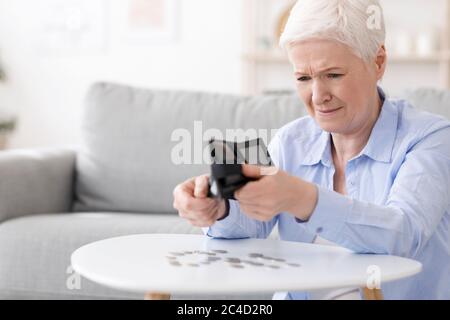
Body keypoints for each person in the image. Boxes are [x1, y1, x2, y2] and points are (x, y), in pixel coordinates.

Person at [173, 0, 450, 300]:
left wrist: (303, 199)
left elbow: (401, 235)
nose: (318, 97)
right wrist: (219, 209)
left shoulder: (431, 139)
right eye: (303, 78)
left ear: (378, 62)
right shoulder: (291, 141)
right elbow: (250, 227)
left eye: (333, 75)